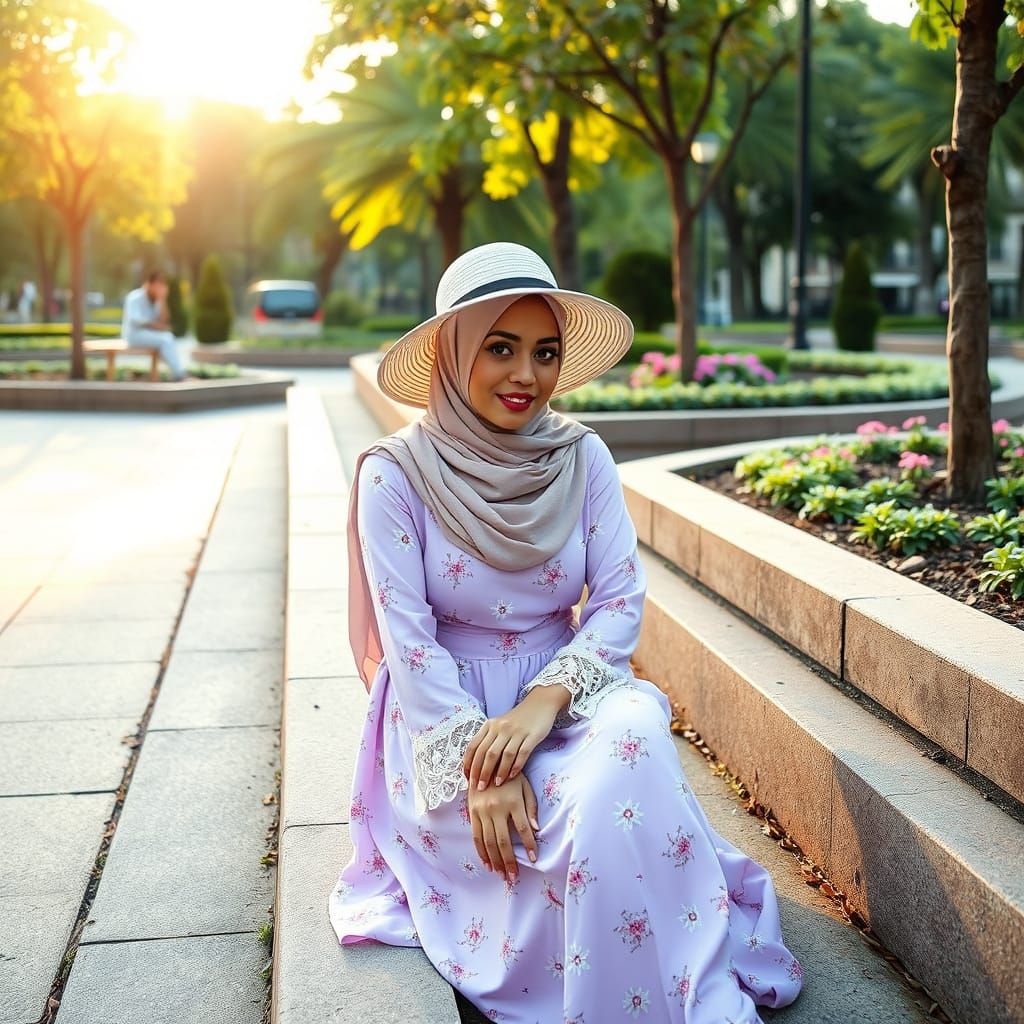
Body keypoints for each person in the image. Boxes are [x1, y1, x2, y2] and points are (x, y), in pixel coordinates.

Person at [329, 242, 804, 1022]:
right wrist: (484, 765)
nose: (527, 376)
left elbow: (619, 599)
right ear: (453, 354)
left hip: (569, 691)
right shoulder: (395, 474)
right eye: (501, 349)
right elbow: (408, 646)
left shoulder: (582, 456)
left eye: (544, 353)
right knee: (544, 833)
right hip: (448, 721)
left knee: (635, 741)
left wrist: (541, 707)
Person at [121, 269, 190, 382]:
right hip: (133, 336)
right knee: (166, 339)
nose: (160, 289)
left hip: (149, 335)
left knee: (167, 338)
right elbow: (134, 319)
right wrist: (154, 325)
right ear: (149, 284)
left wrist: (162, 299)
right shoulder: (134, 297)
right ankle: (179, 374)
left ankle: (176, 373)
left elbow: (164, 320)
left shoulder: (156, 300)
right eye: (158, 286)